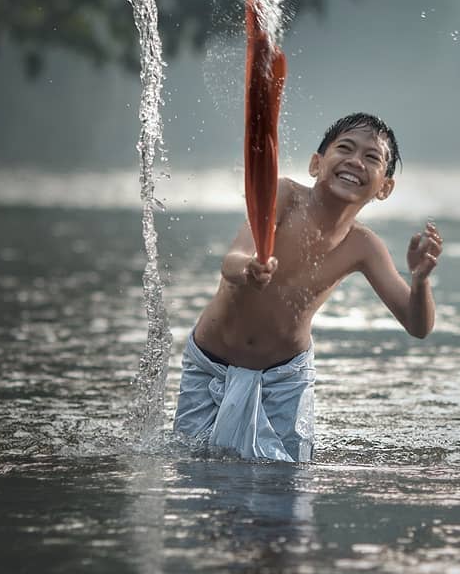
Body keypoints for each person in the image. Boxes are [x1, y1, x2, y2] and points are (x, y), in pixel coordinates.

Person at [174, 112, 443, 462]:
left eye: (371, 157)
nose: (355, 161)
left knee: (284, 492)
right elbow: (232, 260)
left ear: (385, 187)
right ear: (316, 164)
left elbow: (418, 325)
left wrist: (420, 281)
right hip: (211, 362)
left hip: (285, 380)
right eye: (345, 148)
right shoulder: (285, 195)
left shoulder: (363, 245)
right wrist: (250, 269)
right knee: (194, 471)